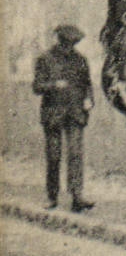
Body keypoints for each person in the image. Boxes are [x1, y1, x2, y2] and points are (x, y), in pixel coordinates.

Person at [32, 22, 94, 212]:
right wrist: (53, 85)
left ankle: (77, 197)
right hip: (53, 115)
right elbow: (36, 87)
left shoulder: (81, 60)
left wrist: (89, 100)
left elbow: (88, 84)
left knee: (75, 155)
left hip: (75, 114)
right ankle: (52, 197)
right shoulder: (45, 59)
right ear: (59, 41)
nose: (69, 47)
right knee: (54, 156)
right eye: (66, 43)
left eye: (72, 44)